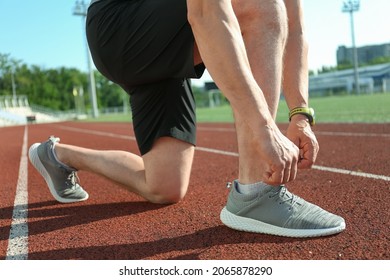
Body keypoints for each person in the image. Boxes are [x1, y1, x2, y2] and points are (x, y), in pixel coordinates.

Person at [29, 0, 345, 238]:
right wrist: (263, 125)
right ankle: (256, 194)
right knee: (259, 3)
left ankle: (58, 155)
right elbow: (208, 11)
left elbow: (294, 28)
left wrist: (300, 114)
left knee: (164, 187)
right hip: (121, 25)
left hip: (167, 45)